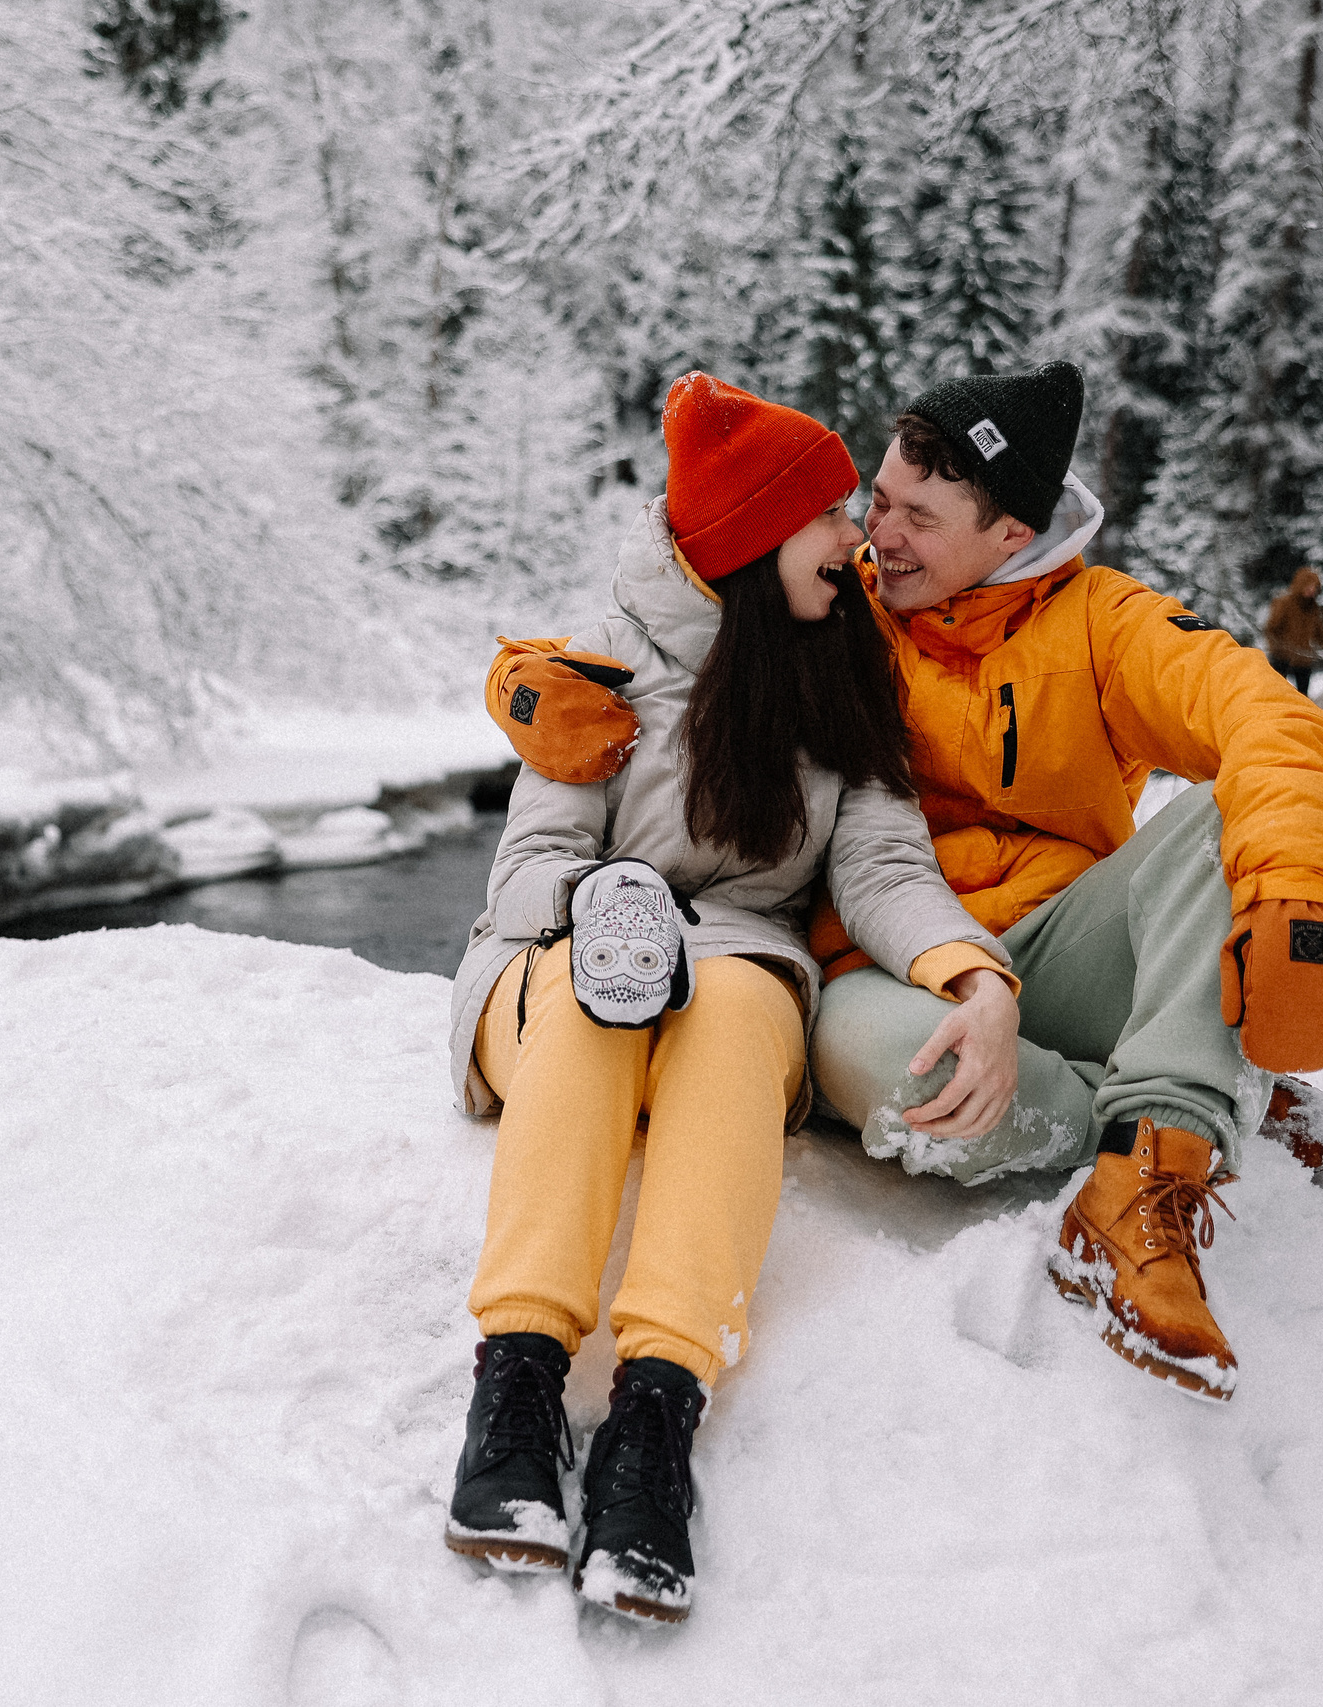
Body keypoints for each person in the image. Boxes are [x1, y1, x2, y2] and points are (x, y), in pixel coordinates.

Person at [445, 374, 1018, 1625]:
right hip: (547, 965)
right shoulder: (592, 668)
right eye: (826, 517)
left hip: (737, 964)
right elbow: (531, 868)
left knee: (742, 1000)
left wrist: (973, 973)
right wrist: (603, 908)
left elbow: (878, 867)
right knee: (610, 999)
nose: (855, 538)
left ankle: (656, 1410)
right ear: (755, 539)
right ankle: (518, 1389)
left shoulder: (837, 672)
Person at [809, 362, 1323, 1404]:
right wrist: (549, 681)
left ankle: (1144, 1176)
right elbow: (689, 618)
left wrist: (1295, 894)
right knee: (888, 1074)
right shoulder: (842, 607)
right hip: (894, 962)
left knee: (1217, 815)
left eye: (919, 517)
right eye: (876, 500)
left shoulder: (1103, 622)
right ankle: (1184, 1094)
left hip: (1058, 944)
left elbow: (1273, 721)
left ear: (1010, 533)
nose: (880, 534)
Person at [1264, 565, 1323, 695]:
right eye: (1308, 586)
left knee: (1303, 695)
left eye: (1314, 587)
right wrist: (1279, 648)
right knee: (1277, 693)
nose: (1311, 590)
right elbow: (1271, 629)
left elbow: (1319, 634)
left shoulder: (1313, 609)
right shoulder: (1284, 603)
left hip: (1303, 659)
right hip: (1282, 657)